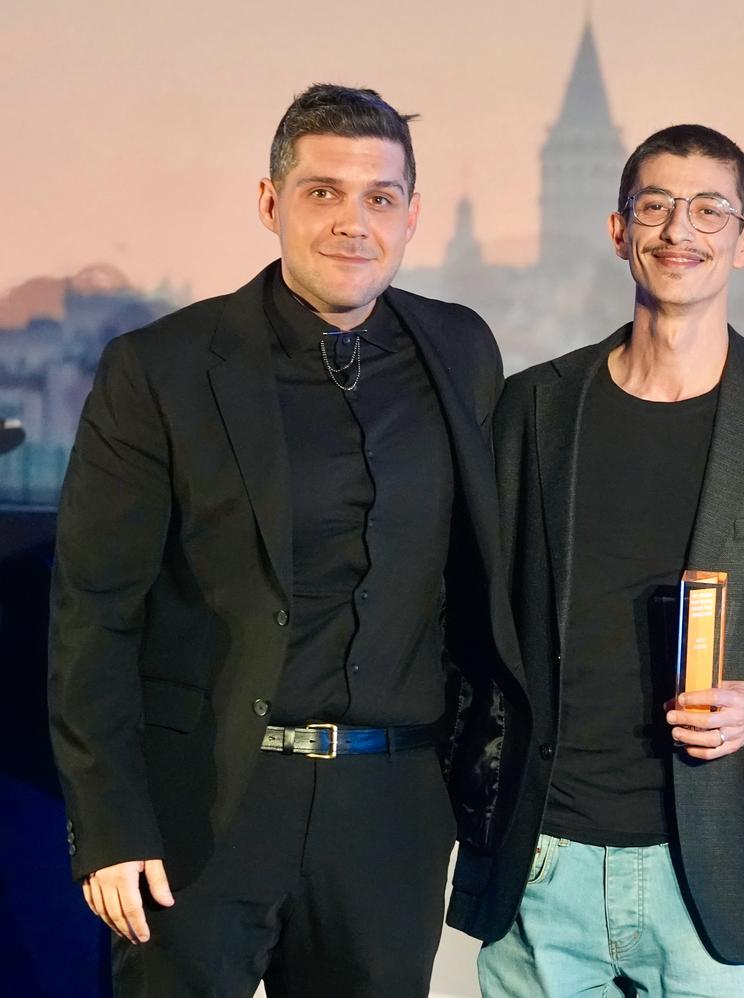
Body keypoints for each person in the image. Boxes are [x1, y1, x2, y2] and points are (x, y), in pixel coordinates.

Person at [48, 83, 527, 996]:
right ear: (270, 203)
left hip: (391, 813)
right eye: (323, 192)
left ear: (413, 215)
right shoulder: (162, 367)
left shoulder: (462, 349)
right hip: (206, 808)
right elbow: (93, 614)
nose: (354, 222)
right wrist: (110, 824)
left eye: (380, 197)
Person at [445, 124, 744, 996]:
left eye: (711, 209)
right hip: (543, 868)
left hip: (715, 874)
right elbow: (474, 616)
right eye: (657, 206)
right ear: (618, 230)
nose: (682, 230)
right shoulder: (534, 408)